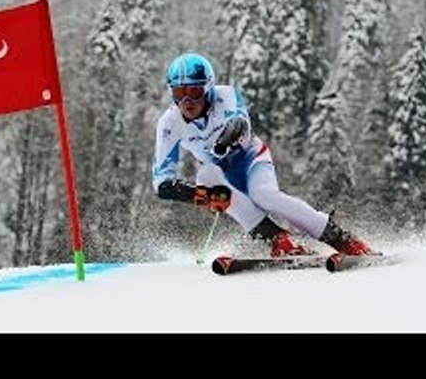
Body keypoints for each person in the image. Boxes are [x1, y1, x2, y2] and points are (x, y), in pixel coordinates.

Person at [152, 52, 374, 257]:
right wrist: (200, 196)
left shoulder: (225, 96)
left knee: (263, 195)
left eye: (194, 92)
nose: (187, 102)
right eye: (179, 93)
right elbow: (161, 183)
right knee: (206, 176)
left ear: (208, 88)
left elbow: (240, 124)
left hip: (250, 159)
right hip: (221, 173)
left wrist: (223, 142)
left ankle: (341, 239)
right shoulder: (169, 124)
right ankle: (279, 240)